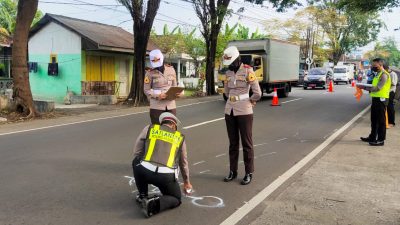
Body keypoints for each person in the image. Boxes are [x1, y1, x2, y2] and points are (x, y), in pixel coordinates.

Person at [132, 112, 193, 218]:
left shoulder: (150, 128)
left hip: (144, 171)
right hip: (165, 177)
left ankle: (142, 195)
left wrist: (142, 161)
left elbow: (137, 151)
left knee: (136, 163)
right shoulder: (179, 137)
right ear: (174, 125)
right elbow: (183, 163)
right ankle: (153, 204)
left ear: (161, 123)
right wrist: (187, 182)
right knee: (176, 199)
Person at [222, 46, 262, 185]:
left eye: (231, 62)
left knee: (247, 143)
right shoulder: (228, 73)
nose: (230, 65)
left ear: (237, 59)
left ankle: (248, 172)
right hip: (229, 110)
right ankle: (233, 171)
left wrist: (251, 101)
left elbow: (257, 93)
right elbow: (227, 92)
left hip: (244, 110)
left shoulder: (247, 70)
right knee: (233, 143)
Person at [144, 49, 183, 124]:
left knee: (171, 131)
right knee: (157, 130)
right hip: (156, 106)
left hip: (170, 105)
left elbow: (175, 86)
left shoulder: (171, 70)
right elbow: (146, 90)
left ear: (162, 59)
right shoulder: (149, 73)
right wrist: (157, 95)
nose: (157, 66)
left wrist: (178, 94)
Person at [360, 58, 391, 146]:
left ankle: (381, 140)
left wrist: (365, 88)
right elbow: (374, 86)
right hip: (376, 99)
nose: (373, 67)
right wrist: (365, 87)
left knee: (381, 120)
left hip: (381, 100)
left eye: (375, 65)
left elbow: (378, 87)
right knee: (374, 119)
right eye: (372, 65)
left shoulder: (384, 75)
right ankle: (372, 137)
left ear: (380, 65)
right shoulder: (378, 74)